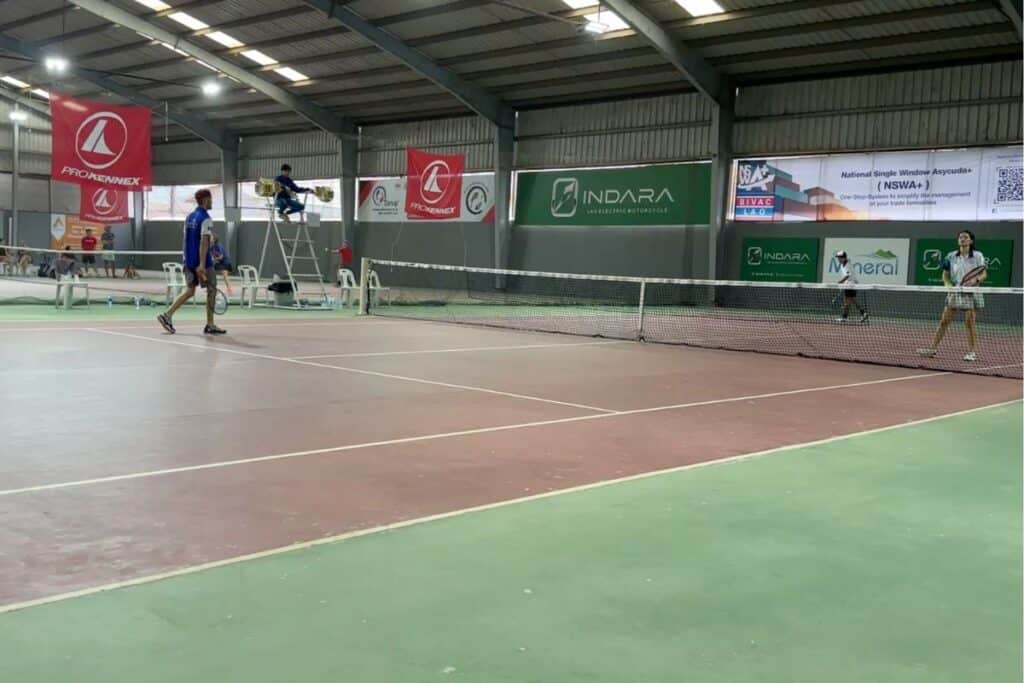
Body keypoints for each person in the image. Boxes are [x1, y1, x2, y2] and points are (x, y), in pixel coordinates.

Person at [157, 188, 226, 336]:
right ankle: (210, 324)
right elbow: (203, 242)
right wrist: (201, 265)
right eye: (211, 199)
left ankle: (167, 315)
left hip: (188, 260)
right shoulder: (206, 218)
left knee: (190, 291)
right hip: (203, 262)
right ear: (206, 200)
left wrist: (190, 260)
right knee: (212, 290)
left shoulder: (190, 217)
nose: (212, 201)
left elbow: (189, 238)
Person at [917, 230, 987, 362]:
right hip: (955, 290)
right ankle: (932, 349)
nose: (962, 239)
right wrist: (949, 286)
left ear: (971, 241)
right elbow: (945, 274)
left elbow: (983, 274)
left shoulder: (978, 256)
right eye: (960, 237)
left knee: (969, 322)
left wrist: (975, 281)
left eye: (965, 237)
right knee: (944, 321)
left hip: (971, 291)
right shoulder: (951, 256)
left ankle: (971, 352)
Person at [833, 250, 868, 323]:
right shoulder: (844, 264)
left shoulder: (847, 265)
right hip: (851, 285)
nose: (838, 259)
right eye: (838, 257)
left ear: (844, 258)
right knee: (851, 300)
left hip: (850, 285)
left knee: (847, 301)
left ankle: (844, 317)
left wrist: (840, 281)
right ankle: (863, 313)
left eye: (840, 257)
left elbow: (847, 275)